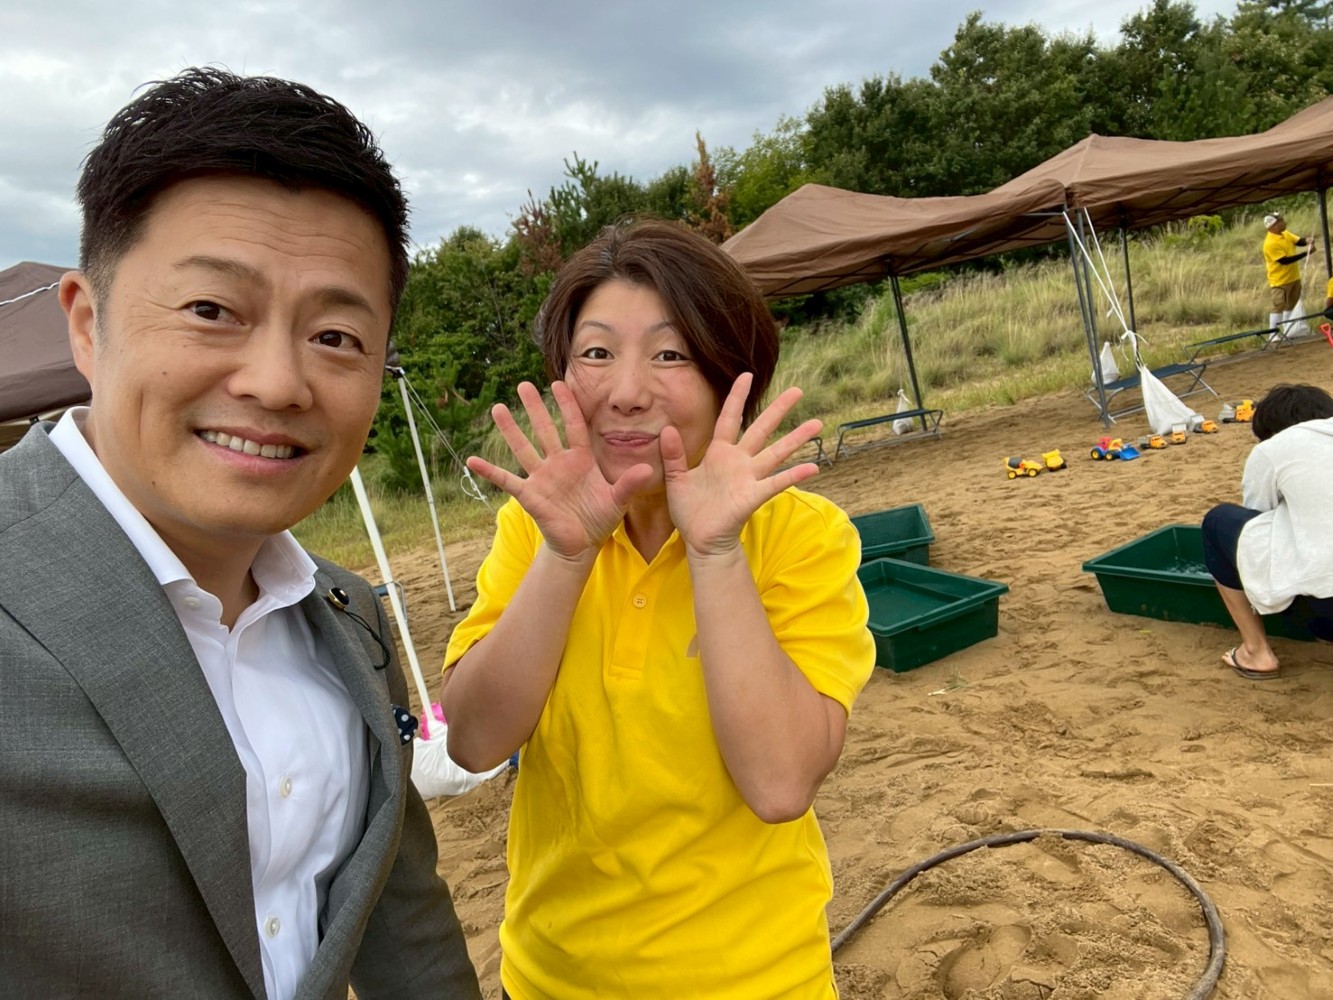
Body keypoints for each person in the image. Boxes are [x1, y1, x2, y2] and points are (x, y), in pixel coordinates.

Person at [0, 69, 480, 999]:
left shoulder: (352, 618)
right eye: (212, 311)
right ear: (88, 326)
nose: (277, 382)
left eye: (335, 336)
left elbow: (404, 924)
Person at [440, 219, 876, 999]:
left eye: (670, 355)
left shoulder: (801, 536)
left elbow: (780, 785)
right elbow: (473, 742)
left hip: (756, 980)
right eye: (596, 353)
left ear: (729, 376)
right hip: (550, 977)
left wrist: (715, 551)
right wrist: (564, 555)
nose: (626, 391)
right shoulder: (532, 529)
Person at [1201, 383, 1333, 680]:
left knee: (1217, 521)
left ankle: (1256, 651)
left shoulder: (1273, 449)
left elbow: (1258, 518)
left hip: (1326, 611)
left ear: (1270, 429)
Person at [1262, 212, 1317, 340]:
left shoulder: (1285, 234)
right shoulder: (1270, 243)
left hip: (1294, 277)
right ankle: (1273, 334)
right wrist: (1306, 253)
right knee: (1279, 306)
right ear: (1273, 226)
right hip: (1280, 281)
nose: (1284, 223)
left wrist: (1307, 241)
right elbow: (1284, 260)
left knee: (1291, 305)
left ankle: (1288, 331)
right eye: (1281, 221)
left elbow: (1298, 241)